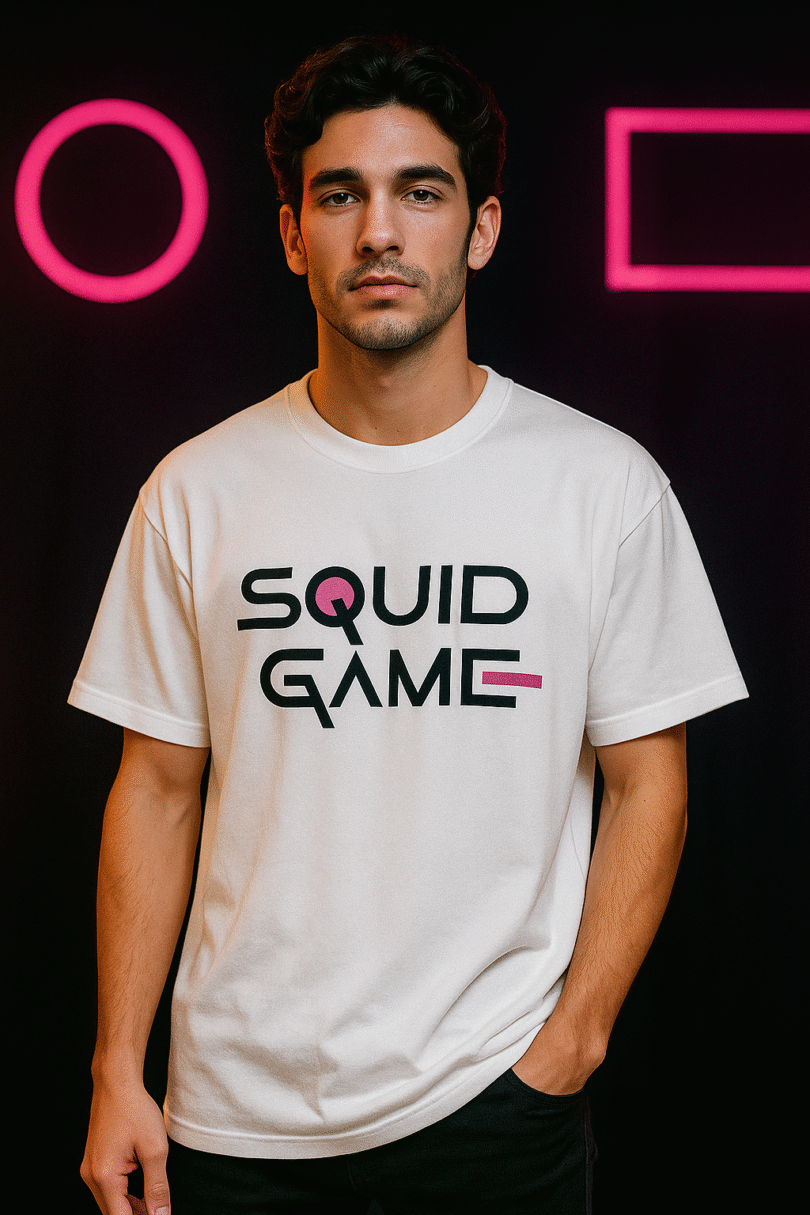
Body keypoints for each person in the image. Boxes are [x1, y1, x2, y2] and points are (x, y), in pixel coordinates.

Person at [73, 33, 748, 1215]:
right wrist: (117, 1069)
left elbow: (652, 787)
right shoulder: (197, 488)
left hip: (495, 1108)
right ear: (293, 235)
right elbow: (157, 790)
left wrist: (571, 1048)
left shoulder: (601, 485)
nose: (379, 231)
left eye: (420, 193)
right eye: (340, 195)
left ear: (480, 229)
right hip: (231, 1121)